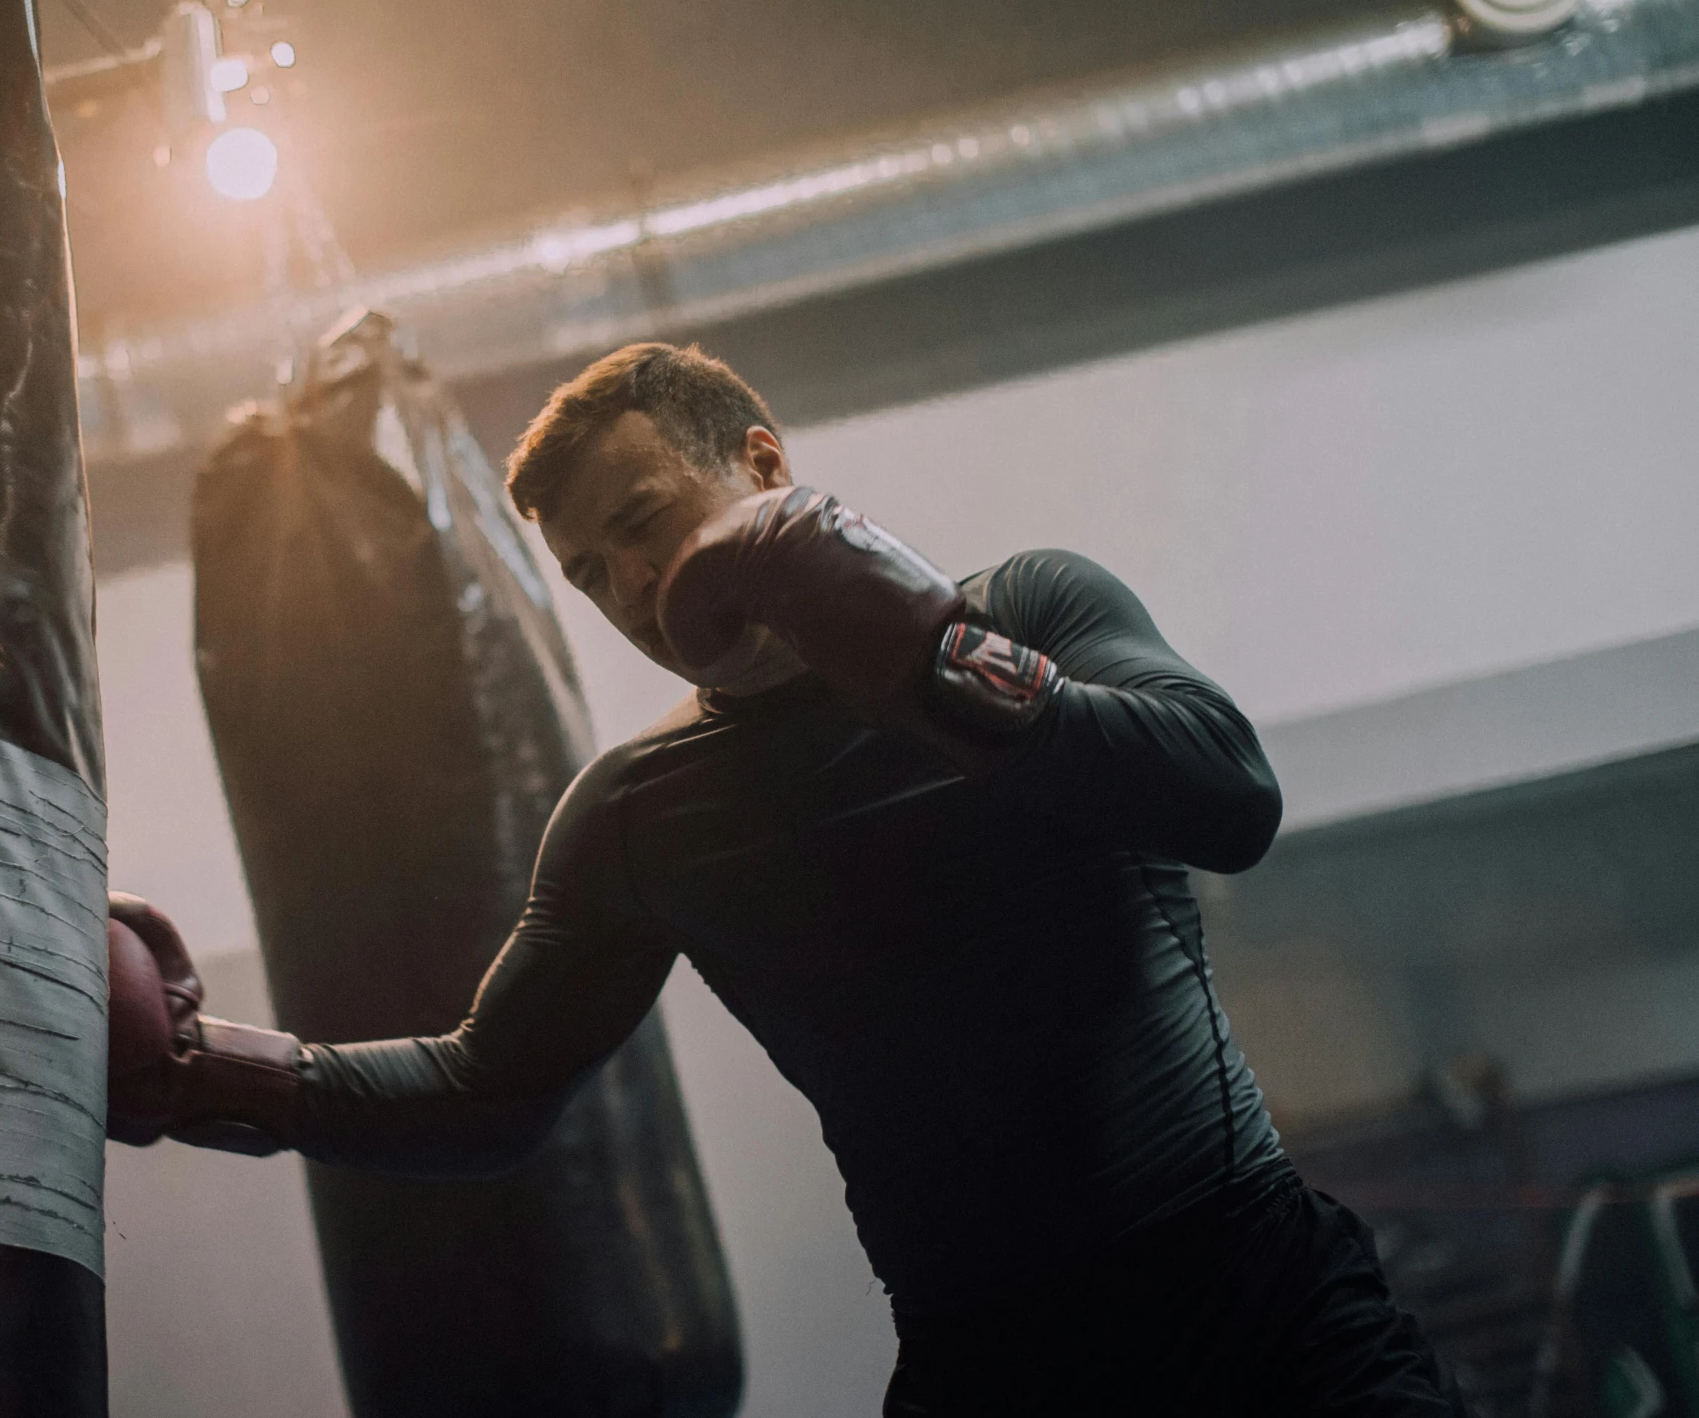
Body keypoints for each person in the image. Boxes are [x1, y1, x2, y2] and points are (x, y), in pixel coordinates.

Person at [106, 342, 1467, 1416]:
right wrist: (201, 1069)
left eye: (645, 519)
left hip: (1254, 1297)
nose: (636, 585)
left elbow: (1225, 794)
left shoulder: (1030, 606)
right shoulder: (636, 812)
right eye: (589, 573)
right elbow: (490, 1086)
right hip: (986, 1364)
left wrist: (922, 651)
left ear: (762, 462)